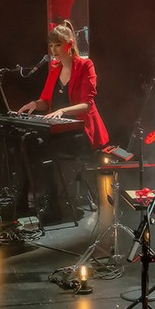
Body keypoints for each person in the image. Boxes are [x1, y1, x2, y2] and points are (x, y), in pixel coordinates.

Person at [18, 20, 109, 222]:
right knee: (26, 142)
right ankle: (21, 201)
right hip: (60, 131)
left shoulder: (86, 65)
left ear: (69, 44)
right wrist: (34, 104)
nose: (53, 50)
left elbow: (86, 104)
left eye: (57, 45)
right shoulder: (54, 68)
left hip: (82, 133)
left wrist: (62, 110)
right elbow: (45, 101)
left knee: (43, 146)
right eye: (51, 46)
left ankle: (53, 203)